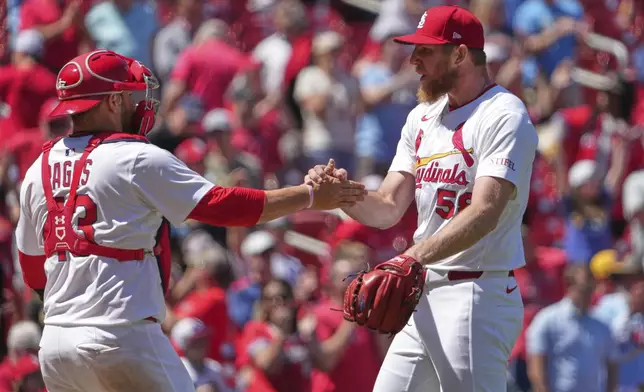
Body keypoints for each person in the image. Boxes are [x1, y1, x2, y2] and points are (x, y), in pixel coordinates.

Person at [15, 49, 365, 392]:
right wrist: (308, 195)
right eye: (129, 95)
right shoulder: (135, 156)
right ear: (111, 101)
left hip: (57, 343)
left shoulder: (36, 170)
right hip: (121, 334)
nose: (138, 103)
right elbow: (223, 206)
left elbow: (31, 269)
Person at [307, 6, 538, 391]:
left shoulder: (503, 114)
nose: (412, 60)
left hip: (475, 294)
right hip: (425, 290)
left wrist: (409, 258)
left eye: (425, 51)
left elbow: (484, 212)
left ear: (460, 54)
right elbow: (387, 207)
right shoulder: (422, 117)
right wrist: (342, 194)